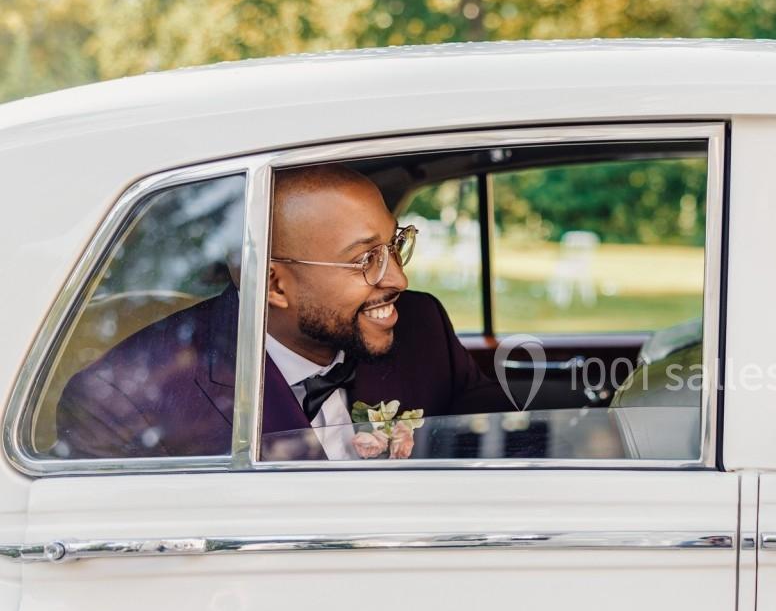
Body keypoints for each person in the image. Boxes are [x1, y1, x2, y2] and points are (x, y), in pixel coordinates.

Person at [56, 164, 512, 460]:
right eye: (363, 259)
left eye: (394, 245)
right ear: (273, 284)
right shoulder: (124, 401)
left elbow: (491, 449)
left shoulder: (422, 329)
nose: (397, 279)